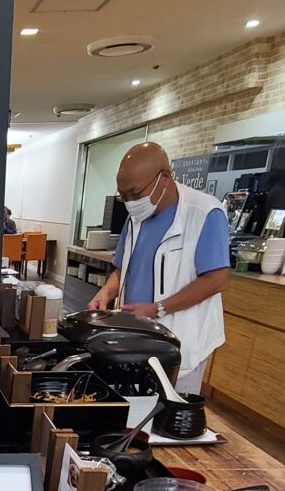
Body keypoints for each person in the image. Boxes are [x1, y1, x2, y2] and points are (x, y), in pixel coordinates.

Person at [88, 142, 230, 394]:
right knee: (135, 409)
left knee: (170, 415)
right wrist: (106, 293)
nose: (130, 203)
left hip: (182, 338)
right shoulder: (136, 218)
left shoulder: (204, 213)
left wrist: (158, 308)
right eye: (124, 197)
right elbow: (123, 268)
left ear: (164, 177)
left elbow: (216, 280)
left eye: (134, 193)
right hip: (137, 335)